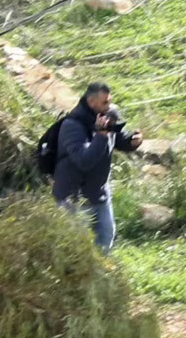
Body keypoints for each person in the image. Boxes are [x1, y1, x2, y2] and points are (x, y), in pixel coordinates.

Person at [52, 82, 143, 255]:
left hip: (99, 193)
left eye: (109, 102)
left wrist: (133, 141)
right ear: (91, 102)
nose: (109, 106)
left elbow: (119, 139)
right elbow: (84, 160)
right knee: (76, 249)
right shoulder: (72, 126)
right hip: (75, 198)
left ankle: (100, 276)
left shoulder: (106, 117)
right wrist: (101, 136)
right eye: (104, 103)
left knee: (106, 238)